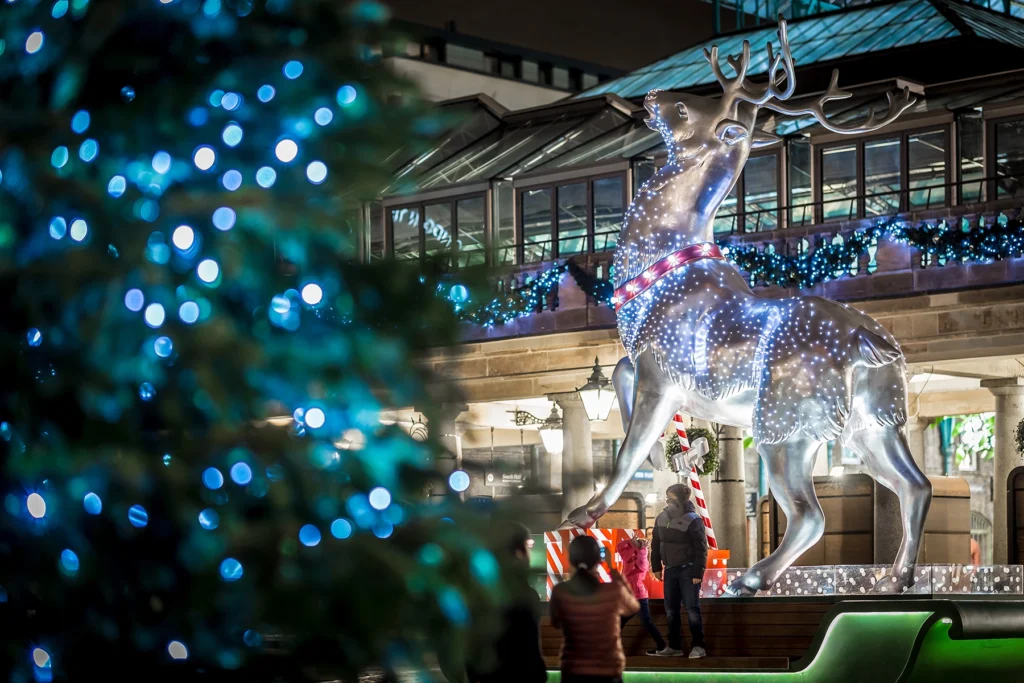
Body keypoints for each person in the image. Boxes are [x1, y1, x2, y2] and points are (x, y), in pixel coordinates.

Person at [550, 535, 639, 683]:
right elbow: (633, 607)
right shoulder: (613, 590)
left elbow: (556, 622)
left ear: (571, 559)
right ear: (598, 560)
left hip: (573, 670)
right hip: (608, 670)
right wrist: (612, 569)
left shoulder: (561, 591)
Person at [466, 523, 547, 683]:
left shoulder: (480, 592)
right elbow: (529, 648)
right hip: (522, 675)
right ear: (518, 552)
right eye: (527, 547)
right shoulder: (525, 594)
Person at [651, 483, 708, 659]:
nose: (668, 501)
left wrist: (698, 572)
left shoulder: (693, 519)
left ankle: (698, 646)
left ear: (683, 499)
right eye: (667, 497)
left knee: (692, 608)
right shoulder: (661, 518)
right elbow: (655, 543)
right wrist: (655, 567)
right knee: (671, 610)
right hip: (669, 570)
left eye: (672, 497)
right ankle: (675, 646)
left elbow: (701, 548)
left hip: (688, 570)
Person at [616, 537, 667, 656]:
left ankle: (662, 646)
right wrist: (630, 541)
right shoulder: (627, 557)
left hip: (639, 596)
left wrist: (641, 549)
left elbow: (642, 566)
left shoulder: (642, 558)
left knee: (647, 622)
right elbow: (619, 546)